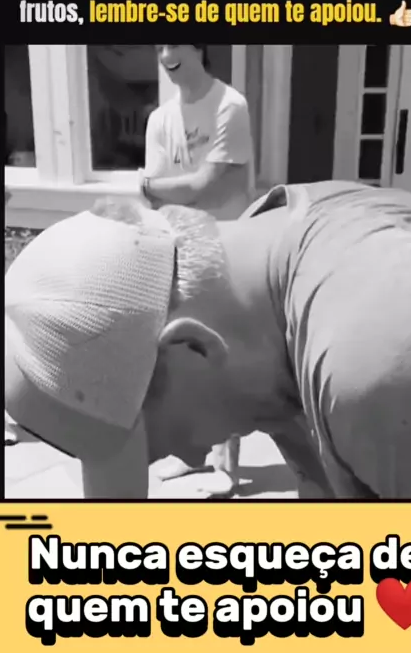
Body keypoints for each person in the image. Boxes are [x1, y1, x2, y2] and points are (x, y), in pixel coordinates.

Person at [5, 180, 411, 500]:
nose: (193, 459)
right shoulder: (258, 285)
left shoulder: (378, 370)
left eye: (165, 443)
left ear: (193, 347)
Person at [140, 44, 254, 495]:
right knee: (180, 356)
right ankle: (191, 454)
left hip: (227, 246)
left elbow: (206, 185)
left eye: (176, 42)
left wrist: (159, 186)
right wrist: (166, 189)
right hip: (178, 245)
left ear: (199, 47)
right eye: (160, 45)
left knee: (224, 355)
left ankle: (228, 465)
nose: (166, 54)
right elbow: (159, 194)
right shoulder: (159, 119)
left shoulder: (230, 105)